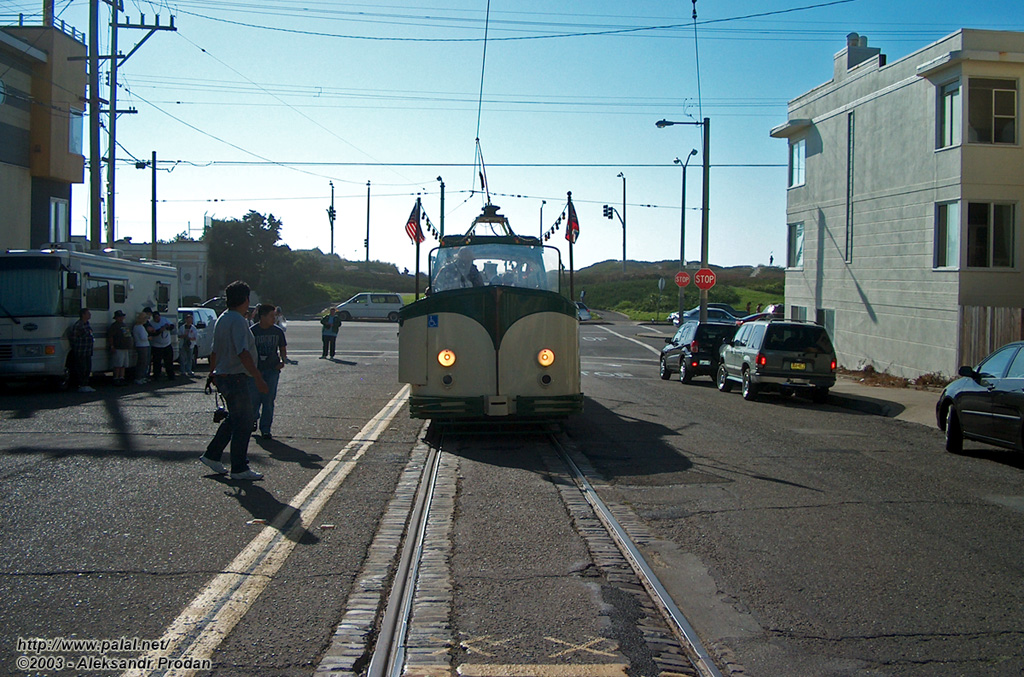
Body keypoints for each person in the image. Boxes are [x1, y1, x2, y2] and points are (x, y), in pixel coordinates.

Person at [200, 280, 269, 481]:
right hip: (235, 377)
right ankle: (239, 467)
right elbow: (243, 352)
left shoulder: (222, 318)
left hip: (223, 375)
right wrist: (258, 377)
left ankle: (212, 454)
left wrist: (211, 373)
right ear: (246, 299)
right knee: (245, 422)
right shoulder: (238, 321)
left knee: (235, 418)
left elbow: (214, 351)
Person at [250, 304, 287, 439]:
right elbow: (246, 351)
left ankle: (265, 428)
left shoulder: (277, 332)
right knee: (254, 399)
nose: (274, 318)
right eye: (271, 316)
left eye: (275, 316)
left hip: (272, 370)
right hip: (255, 371)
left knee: (268, 400)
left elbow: (282, 347)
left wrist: (283, 361)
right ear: (262, 317)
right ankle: (252, 419)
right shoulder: (252, 331)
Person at [69, 308, 95, 393]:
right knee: (82, 368)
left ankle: (86, 384)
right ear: (83, 315)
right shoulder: (78, 325)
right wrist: (76, 347)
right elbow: (73, 338)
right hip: (81, 350)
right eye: (88, 313)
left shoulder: (87, 324)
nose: (90, 315)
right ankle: (82, 385)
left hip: (88, 350)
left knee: (88, 368)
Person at [147, 310, 176, 379]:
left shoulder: (164, 319)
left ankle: (171, 375)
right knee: (157, 362)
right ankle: (156, 376)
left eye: (158, 317)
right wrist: (160, 330)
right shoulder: (151, 324)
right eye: (155, 318)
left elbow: (172, 326)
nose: (157, 319)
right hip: (157, 346)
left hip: (167, 344)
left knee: (169, 361)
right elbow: (153, 334)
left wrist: (168, 327)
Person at [108, 310, 133, 385]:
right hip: (118, 347)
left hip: (125, 348)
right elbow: (110, 336)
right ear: (116, 318)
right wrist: (112, 346)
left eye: (122, 316)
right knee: (118, 364)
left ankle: (122, 377)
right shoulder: (114, 326)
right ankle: (116, 378)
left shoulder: (124, 325)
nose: (121, 318)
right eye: (120, 316)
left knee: (124, 364)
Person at [133, 310, 152, 384]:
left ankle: (142, 376)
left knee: (144, 362)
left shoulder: (137, 326)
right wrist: (148, 338)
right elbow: (143, 337)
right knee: (142, 362)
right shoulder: (140, 327)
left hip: (142, 345)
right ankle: (139, 377)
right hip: (142, 346)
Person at [178, 312, 198, 377]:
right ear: (186, 320)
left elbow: (195, 337)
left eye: (190, 320)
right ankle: (182, 371)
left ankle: (189, 370)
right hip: (183, 344)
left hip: (190, 344)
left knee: (189, 357)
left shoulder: (193, 328)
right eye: (188, 319)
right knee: (183, 358)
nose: (189, 321)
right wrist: (184, 336)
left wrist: (190, 338)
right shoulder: (182, 327)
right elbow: (179, 335)